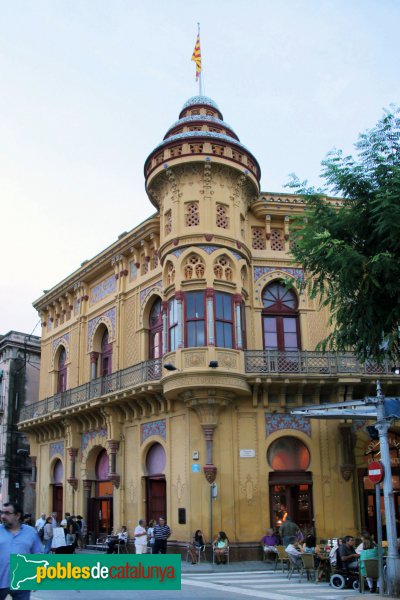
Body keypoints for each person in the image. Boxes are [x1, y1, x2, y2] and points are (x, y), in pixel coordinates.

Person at [0, 500, 43, 600]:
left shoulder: (30, 532)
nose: (3, 516)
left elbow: (38, 555)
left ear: (17, 515)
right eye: (1, 512)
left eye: (7, 513)